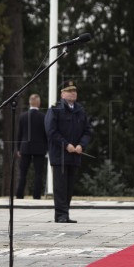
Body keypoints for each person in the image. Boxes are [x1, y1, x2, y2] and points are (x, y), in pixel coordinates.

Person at [45, 80, 92, 223]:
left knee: (70, 187)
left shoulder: (80, 110)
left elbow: (87, 131)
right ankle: (61, 215)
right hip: (60, 155)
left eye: (75, 91)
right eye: (69, 91)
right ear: (62, 94)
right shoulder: (55, 110)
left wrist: (81, 145)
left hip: (75, 155)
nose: (73, 93)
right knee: (60, 187)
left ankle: (65, 213)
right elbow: (51, 132)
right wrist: (66, 145)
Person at [15, 94, 48, 200]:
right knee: (38, 174)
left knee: (23, 173)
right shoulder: (43, 117)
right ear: (38, 103)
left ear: (30, 103)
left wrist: (18, 148)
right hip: (39, 149)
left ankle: (19, 195)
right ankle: (36, 196)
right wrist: (46, 148)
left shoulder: (23, 116)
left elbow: (19, 134)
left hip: (25, 148)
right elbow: (46, 134)